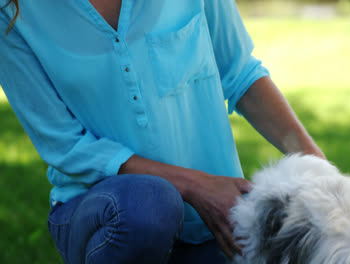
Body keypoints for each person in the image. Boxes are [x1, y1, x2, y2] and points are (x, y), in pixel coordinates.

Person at [0, 0, 325, 263]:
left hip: (220, 221)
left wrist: (321, 171)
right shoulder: (11, 12)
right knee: (148, 207)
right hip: (106, 216)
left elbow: (242, 74)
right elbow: (67, 146)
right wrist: (197, 186)